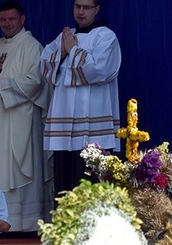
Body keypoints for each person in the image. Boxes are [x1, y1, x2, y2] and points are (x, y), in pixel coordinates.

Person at [0, 0, 51, 232]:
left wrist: (2, 83)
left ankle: (23, 222)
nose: (6, 24)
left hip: (19, 120)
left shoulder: (32, 46)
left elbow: (36, 82)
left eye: (11, 19)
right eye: (3, 20)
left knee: (18, 167)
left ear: (22, 19)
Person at [41, 0, 121, 196]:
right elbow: (44, 65)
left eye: (86, 7)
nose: (81, 11)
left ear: (96, 9)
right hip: (64, 126)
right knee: (64, 185)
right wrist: (62, 49)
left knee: (90, 183)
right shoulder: (66, 36)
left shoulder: (106, 37)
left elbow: (99, 70)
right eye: (77, 6)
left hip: (94, 127)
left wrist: (73, 51)